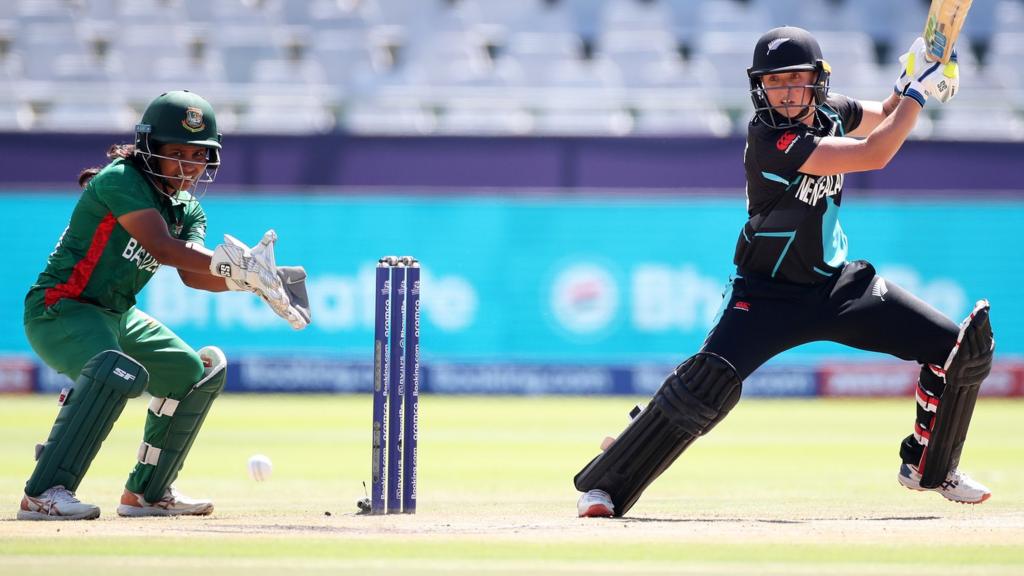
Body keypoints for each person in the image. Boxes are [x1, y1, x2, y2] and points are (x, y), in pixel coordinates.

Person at [574, 27, 994, 518]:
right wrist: (921, 92)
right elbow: (873, 152)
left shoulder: (833, 109)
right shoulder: (771, 139)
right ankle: (607, 482)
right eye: (776, 83)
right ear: (759, 88)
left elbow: (882, 117)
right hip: (765, 295)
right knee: (703, 389)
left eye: (798, 80)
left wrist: (909, 81)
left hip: (839, 287)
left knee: (959, 349)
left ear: (819, 81)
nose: (789, 93)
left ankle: (930, 466)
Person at [17, 90, 310, 521]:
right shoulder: (121, 180)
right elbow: (162, 247)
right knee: (113, 368)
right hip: (61, 308)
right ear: (149, 147)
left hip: (118, 315)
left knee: (192, 373)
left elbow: (194, 275)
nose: (188, 167)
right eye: (176, 153)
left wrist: (251, 284)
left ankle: (148, 494)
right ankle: (43, 492)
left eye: (198, 155)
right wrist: (240, 267)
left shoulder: (187, 207)